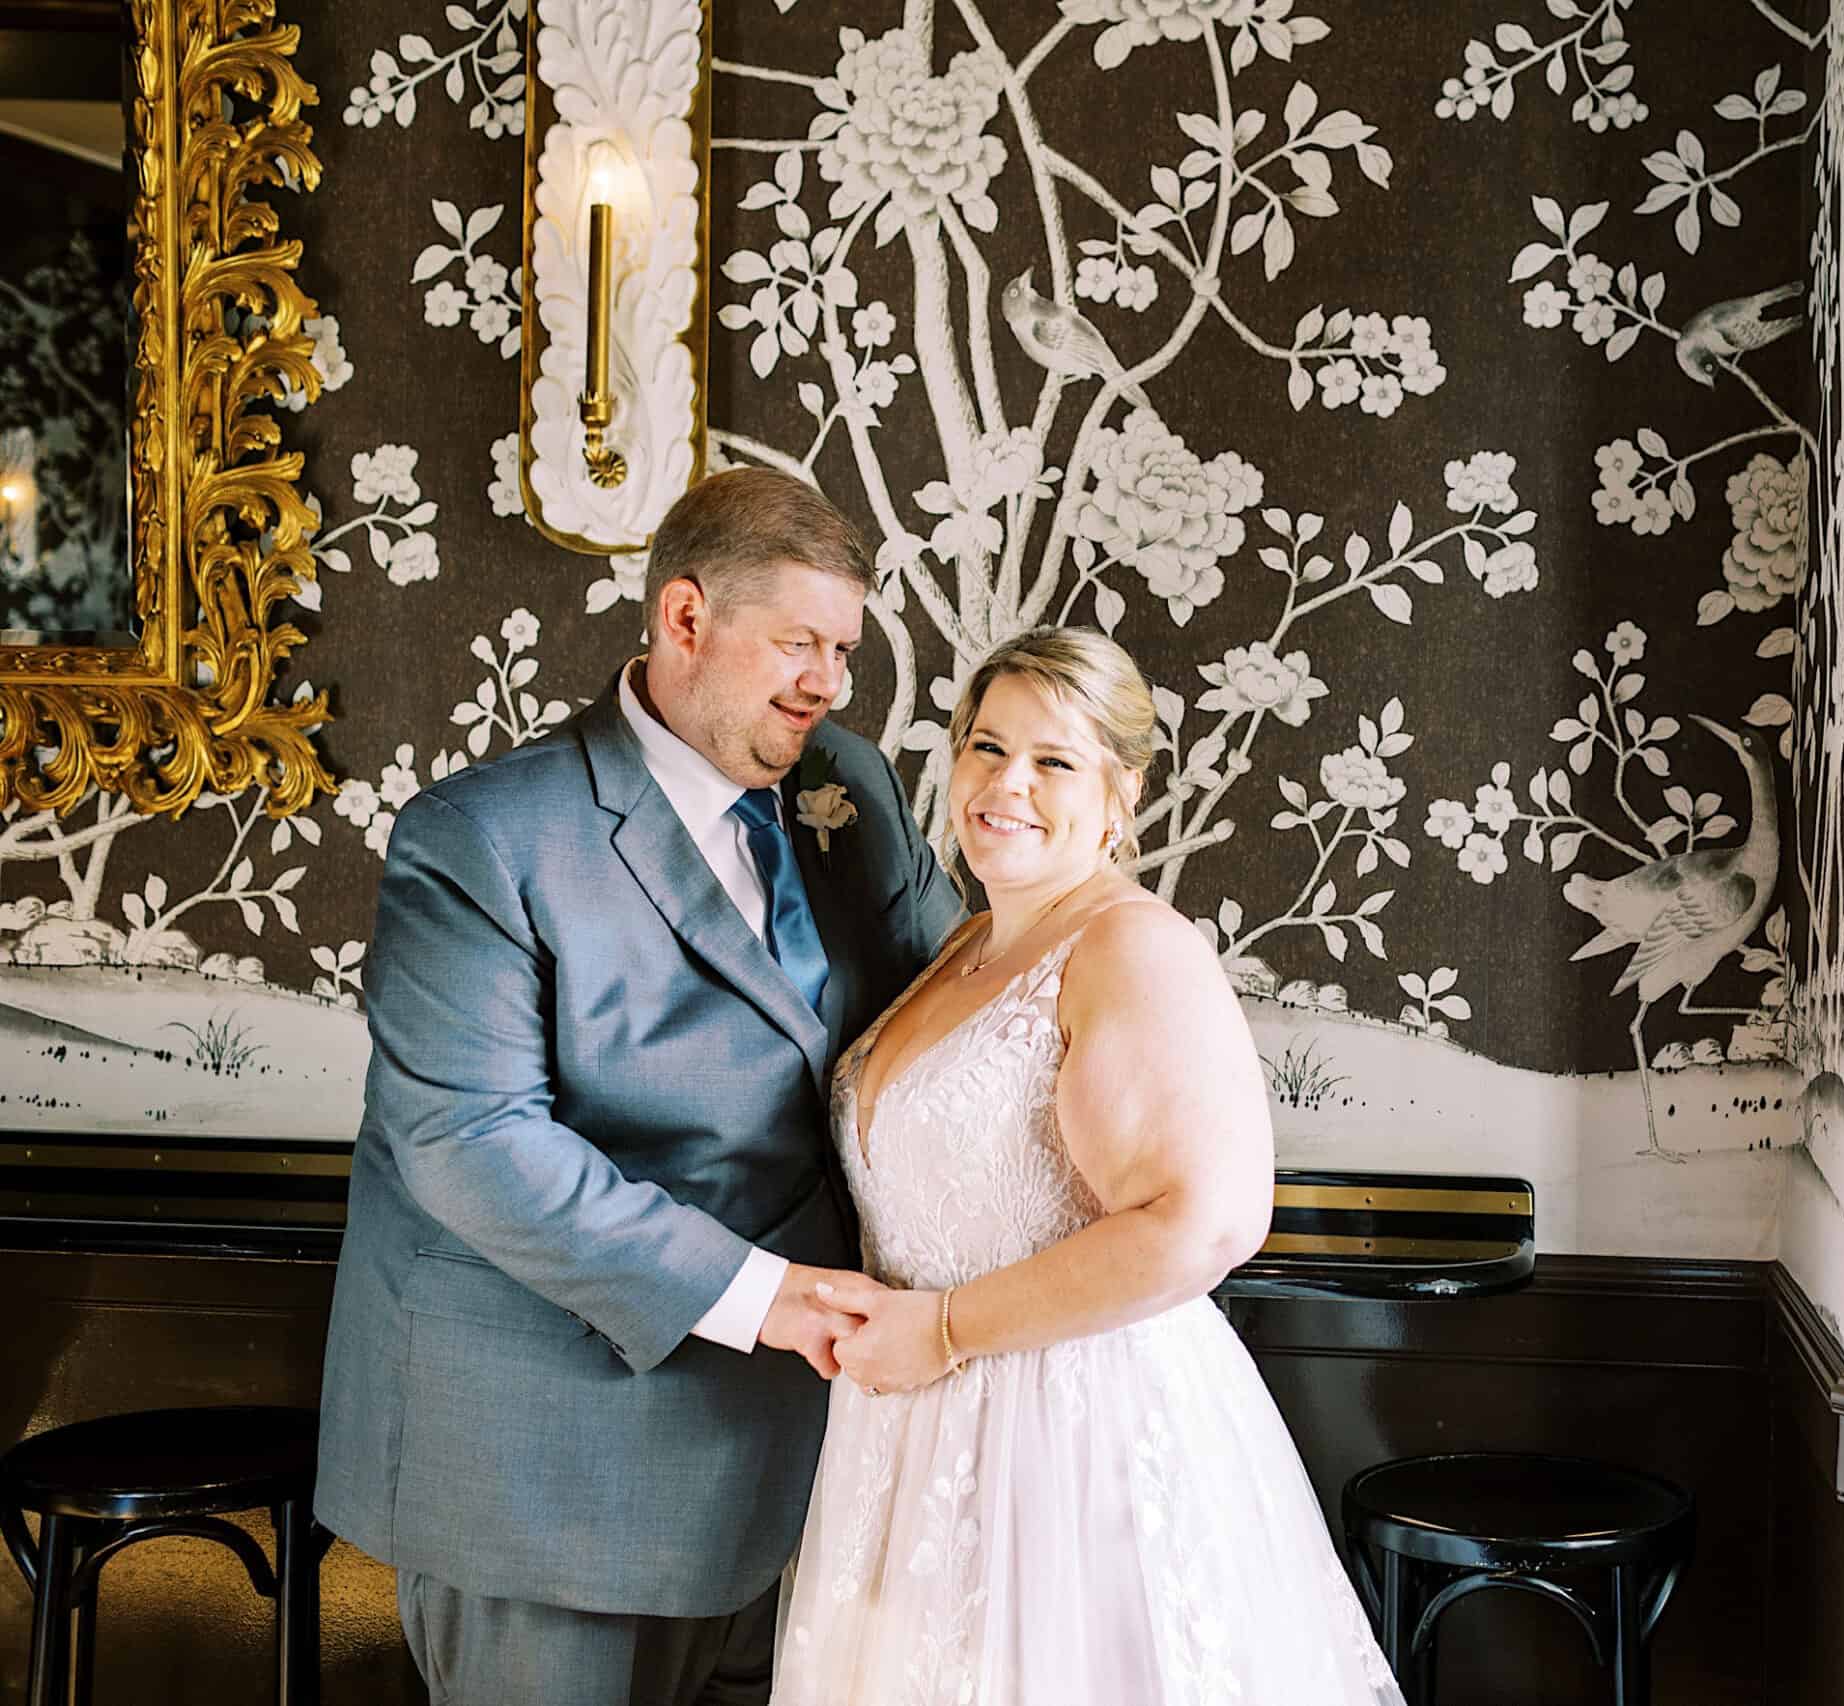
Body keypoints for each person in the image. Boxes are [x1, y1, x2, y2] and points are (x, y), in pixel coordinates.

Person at [315, 468, 966, 1705]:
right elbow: (468, 1142)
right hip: (552, 1469)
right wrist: (763, 1296)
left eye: (843, 648)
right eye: (800, 642)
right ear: (684, 619)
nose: (829, 681)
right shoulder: (486, 838)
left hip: (803, 1461)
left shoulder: (851, 793)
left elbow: (958, 995)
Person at [769, 626, 1401, 1704]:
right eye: (983, 746)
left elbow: (1204, 1220)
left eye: (1053, 760)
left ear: (1119, 795)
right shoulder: (966, 946)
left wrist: (948, 1327)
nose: (1005, 783)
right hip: (914, 1438)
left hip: (1068, 1434)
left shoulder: (1128, 947)